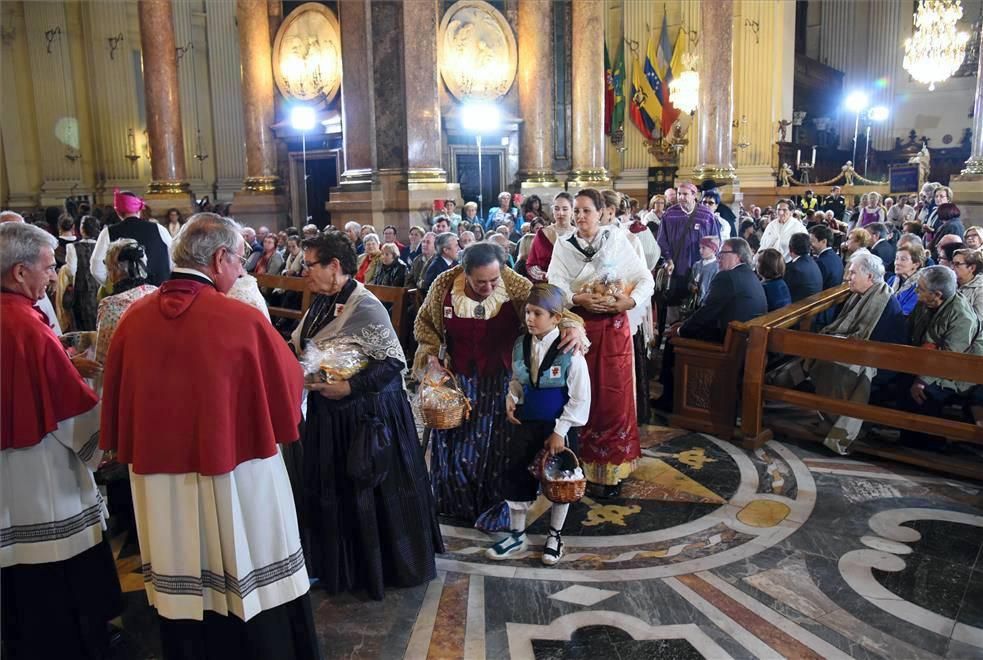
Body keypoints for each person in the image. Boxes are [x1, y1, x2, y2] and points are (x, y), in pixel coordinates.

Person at [100, 213, 318, 658]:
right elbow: (290, 387)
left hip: (160, 485)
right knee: (247, 566)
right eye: (239, 260)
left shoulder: (133, 320)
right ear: (219, 258)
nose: (241, 270)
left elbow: (115, 395)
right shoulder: (240, 318)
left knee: (181, 578)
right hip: (237, 475)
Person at [291, 231, 442, 599]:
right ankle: (339, 569)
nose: (303, 272)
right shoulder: (323, 301)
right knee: (333, 489)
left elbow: (393, 362)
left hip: (367, 415)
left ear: (335, 266)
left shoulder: (366, 304)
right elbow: (306, 345)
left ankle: (379, 569)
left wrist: (350, 388)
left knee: (367, 492)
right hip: (331, 414)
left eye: (309, 265)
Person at [1, 222, 123, 659]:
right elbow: (68, 406)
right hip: (40, 469)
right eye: (48, 267)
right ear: (19, 272)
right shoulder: (25, 326)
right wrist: (105, 439)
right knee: (57, 572)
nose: (54, 276)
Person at [414, 243, 585, 524]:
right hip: (459, 381)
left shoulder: (515, 286)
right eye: (480, 281)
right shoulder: (443, 286)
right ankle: (455, 505)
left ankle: (493, 509)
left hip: (501, 382)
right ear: (465, 272)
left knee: (494, 449)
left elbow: (549, 307)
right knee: (455, 446)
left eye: (494, 280)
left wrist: (574, 326)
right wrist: (431, 356)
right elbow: (425, 327)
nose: (489, 286)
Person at [547, 188, 654, 497]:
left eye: (586, 210)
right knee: (580, 392)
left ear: (602, 211)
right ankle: (577, 461)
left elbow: (645, 279)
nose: (580, 216)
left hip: (614, 328)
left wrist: (629, 302)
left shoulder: (617, 240)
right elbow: (555, 284)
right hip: (578, 328)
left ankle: (612, 469)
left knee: (613, 397)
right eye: (576, 211)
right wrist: (577, 297)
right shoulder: (565, 246)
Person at [486, 284, 590, 565]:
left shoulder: (571, 350)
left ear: (557, 318)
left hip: (557, 428)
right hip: (525, 424)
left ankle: (555, 536)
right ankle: (517, 536)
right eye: (528, 312)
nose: (530, 319)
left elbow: (581, 397)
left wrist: (560, 432)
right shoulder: (521, 344)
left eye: (538, 313)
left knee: (560, 482)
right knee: (517, 475)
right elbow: (518, 380)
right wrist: (512, 397)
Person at [771, 251, 907, 455]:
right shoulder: (861, 295)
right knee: (816, 355)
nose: (847, 277)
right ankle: (774, 387)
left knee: (837, 368)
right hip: (860, 352)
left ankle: (836, 429)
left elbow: (873, 342)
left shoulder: (883, 302)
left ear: (869, 277)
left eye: (852, 273)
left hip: (879, 362)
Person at [902, 266, 983, 450]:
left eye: (920, 289)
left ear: (937, 294)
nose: (916, 292)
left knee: (925, 393)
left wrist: (921, 380)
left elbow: (949, 358)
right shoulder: (924, 303)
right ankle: (907, 439)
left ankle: (932, 445)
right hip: (927, 361)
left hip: (960, 372)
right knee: (901, 380)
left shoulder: (962, 317)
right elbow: (911, 332)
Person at [657, 182, 721, 324]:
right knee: (673, 309)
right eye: (679, 194)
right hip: (675, 269)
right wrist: (668, 259)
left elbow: (716, 241)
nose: (681, 197)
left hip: (700, 272)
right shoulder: (670, 214)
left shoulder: (706, 216)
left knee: (696, 309)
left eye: (685, 194)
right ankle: (670, 341)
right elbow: (661, 240)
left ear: (695, 195)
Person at [94, 240, 158, 364]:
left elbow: (104, 358)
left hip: (130, 372)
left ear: (113, 270)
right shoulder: (157, 293)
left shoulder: (110, 305)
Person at [91, 189, 172, 286]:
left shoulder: (107, 233)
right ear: (139, 209)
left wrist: (113, 285)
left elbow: (97, 269)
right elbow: (174, 260)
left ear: (118, 212)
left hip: (126, 296)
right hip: (159, 293)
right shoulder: (159, 229)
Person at [526, 192, 576, 282]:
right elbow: (531, 264)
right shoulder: (542, 233)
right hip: (548, 288)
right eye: (557, 209)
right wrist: (542, 275)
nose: (560, 213)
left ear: (572, 210)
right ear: (553, 210)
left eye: (565, 209)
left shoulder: (579, 234)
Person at [64, 214, 101, 331]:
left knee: (83, 326)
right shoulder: (101, 247)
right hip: (99, 289)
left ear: (81, 229)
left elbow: (71, 271)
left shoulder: (72, 247)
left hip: (82, 290)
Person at [887, 243, 928, 316]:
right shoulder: (891, 280)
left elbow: (905, 313)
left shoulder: (920, 286)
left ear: (916, 264)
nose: (897, 263)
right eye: (896, 258)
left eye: (903, 259)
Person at [784, 233, 823, 303]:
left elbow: (785, 293)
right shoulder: (812, 262)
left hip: (800, 309)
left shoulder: (793, 269)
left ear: (790, 248)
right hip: (813, 305)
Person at [689, 236, 720, 305]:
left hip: (707, 304)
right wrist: (691, 286)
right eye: (700, 248)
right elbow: (690, 281)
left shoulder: (717, 267)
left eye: (703, 248)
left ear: (713, 249)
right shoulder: (696, 265)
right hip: (694, 303)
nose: (700, 250)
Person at [953, 249, 983, 320]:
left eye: (957, 264)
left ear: (972, 268)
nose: (952, 267)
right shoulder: (951, 283)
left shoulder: (980, 290)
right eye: (952, 263)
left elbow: (978, 321)